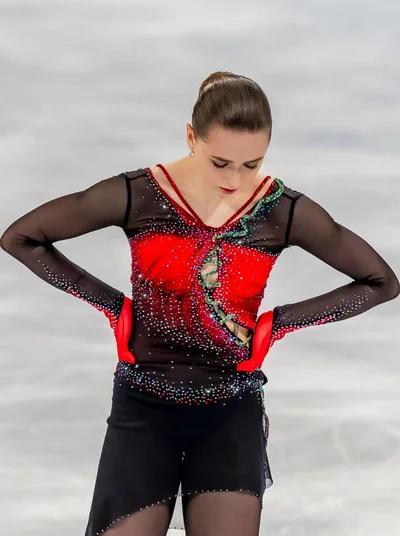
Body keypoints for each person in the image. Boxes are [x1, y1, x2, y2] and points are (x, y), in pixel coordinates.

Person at [1, 70, 399, 536]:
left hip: (230, 412)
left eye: (252, 164)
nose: (235, 179)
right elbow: (22, 238)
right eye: (221, 162)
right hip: (144, 409)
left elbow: (380, 282)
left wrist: (277, 324)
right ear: (191, 138)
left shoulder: (280, 209)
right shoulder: (140, 194)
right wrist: (112, 306)